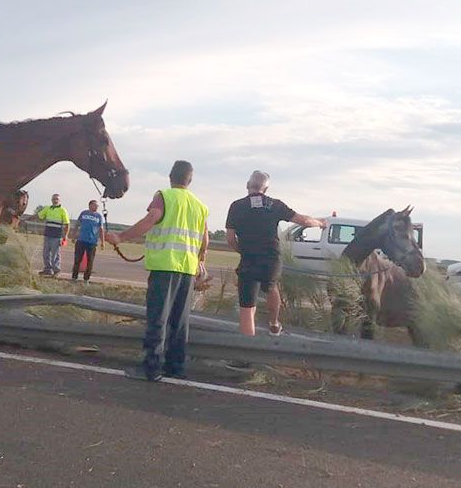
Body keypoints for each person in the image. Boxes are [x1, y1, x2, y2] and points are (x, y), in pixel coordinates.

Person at [104, 160, 208, 381]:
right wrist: (200, 262)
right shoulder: (199, 205)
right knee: (180, 321)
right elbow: (205, 240)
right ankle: (175, 367)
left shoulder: (164, 196)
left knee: (158, 318)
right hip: (188, 269)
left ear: (171, 176)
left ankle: (151, 367)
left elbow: (151, 219)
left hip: (165, 266)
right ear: (189, 180)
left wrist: (121, 237)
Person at [226, 170, 327, 337]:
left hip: (249, 260)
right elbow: (304, 221)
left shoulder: (236, 206)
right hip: (271, 259)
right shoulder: (275, 205)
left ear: (247, 185)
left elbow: (230, 238)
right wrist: (320, 223)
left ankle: (246, 356)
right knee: (271, 287)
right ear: (265, 189)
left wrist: (243, 251)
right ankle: (274, 323)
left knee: (247, 310)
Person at [36, 194, 70, 276]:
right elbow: (39, 216)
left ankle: (56, 271)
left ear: (59, 200)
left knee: (55, 254)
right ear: (51, 200)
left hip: (56, 236)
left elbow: (67, 224)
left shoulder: (62, 210)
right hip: (47, 234)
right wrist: (26, 219)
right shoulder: (47, 208)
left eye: (57, 199)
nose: (55, 200)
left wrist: (65, 236)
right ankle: (48, 269)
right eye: (54, 199)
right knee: (45, 253)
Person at [71, 199, 105, 282]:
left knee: (90, 261)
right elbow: (77, 225)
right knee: (77, 259)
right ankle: (74, 277)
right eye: (94, 205)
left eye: (97, 206)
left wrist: (102, 242)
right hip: (81, 240)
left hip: (92, 242)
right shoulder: (83, 213)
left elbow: (101, 229)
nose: (96, 207)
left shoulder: (99, 216)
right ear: (90, 205)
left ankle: (86, 279)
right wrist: (73, 236)